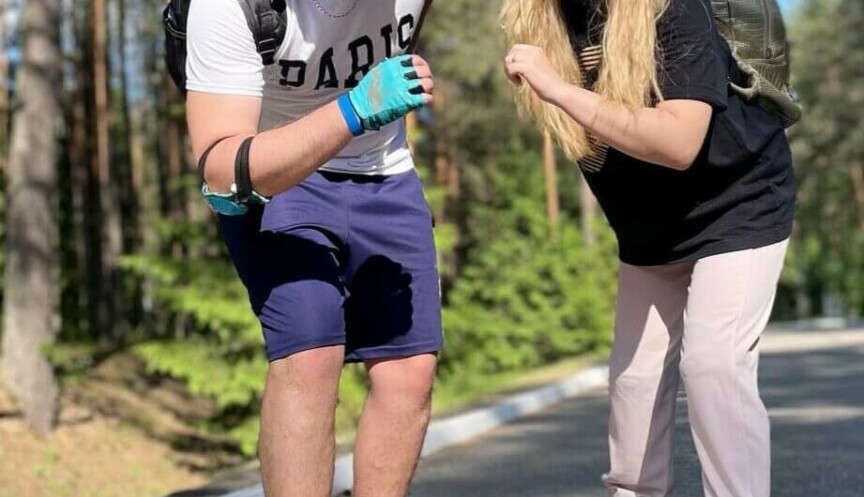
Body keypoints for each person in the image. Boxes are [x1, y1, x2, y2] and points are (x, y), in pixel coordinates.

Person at [501, 0, 796, 496]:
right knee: (634, 384)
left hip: (737, 204)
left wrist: (559, 89)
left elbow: (679, 143)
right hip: (647, 229)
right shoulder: (543, 22)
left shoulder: (671, 8)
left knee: (713, 366)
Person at [184, 1, 440, 496]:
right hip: (277, 171)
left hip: (385, 171)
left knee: (410, 369)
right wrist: (352, 110)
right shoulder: (228, 6)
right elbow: (220, 169)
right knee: (310, 355)